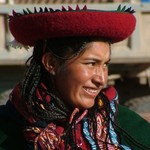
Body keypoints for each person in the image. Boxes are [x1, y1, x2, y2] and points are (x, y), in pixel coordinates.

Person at [0, 4, 150, 150]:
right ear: (51, 63)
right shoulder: (8, 126)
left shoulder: (124, 124)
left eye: (105, 64)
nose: (101, 80)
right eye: (91, 63)